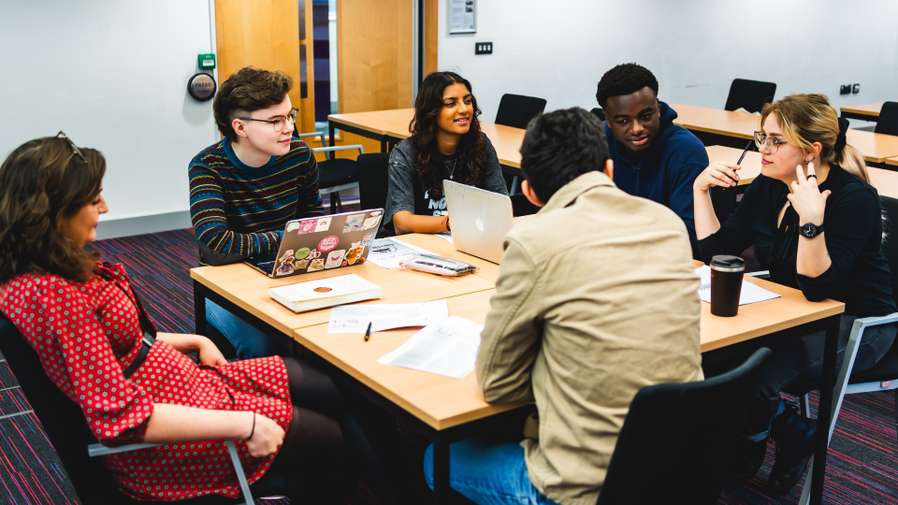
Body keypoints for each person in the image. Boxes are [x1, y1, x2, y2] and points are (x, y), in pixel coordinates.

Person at [0, 134, 370, 503]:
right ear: (53, 210)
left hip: (178, 385)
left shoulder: (42, 272)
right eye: (93, 198)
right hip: (165, 435)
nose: (105, 207)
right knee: (331, 438)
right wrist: (248, 423)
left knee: (325, 385)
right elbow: (122, 419)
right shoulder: (55, 296)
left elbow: (110, 346)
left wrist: (196, 340)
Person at [422, 108, 703, 504]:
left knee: (438, 458)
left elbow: (498, 384)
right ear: (609, 169)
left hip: (582, 488)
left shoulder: (534, 240)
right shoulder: (668, 224)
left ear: (531, 192)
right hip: (675, 466)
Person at [693, 93, 896, 493]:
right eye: (761, 138)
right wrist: (700, 192)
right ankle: (791, 430)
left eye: (775, 141)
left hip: (858, 325)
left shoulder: (853, 199)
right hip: (796, 311)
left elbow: (819, 288)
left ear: (811, 150)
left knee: (759, 372)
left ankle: (744, 457)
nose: (762, 151)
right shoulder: (769, 185)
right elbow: (718, 253)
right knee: (711, 357)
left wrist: (810, 221)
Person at [189, 66, 321, 359]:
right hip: (228, 287)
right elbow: (216, 243)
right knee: (266, 346)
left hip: (292, 271)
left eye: (289, 115)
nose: (288, 127)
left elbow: (315, 221)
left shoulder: (299, 156)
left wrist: (299, 237)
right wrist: (290, 237)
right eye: (275, 120)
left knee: (327, 335)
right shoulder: (207, 166)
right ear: (240, 127)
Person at [595, 63, 708, 253]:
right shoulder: (597, 142)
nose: (637, 128)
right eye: (623, 121)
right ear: (607, 118)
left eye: (645, 116)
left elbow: (686, 235)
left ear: (658, 108)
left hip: (666, 262)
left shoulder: (687, 152)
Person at [384, 71, 508, 235]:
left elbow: (500, 203)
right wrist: (452, 223)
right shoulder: (405, 153)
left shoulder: (480, 144)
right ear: (431, 111)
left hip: (468, 239)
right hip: (418, 244)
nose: (464, 109)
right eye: (451, 103)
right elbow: (402, 222)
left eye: (468, 101)